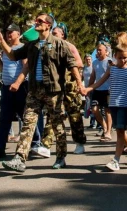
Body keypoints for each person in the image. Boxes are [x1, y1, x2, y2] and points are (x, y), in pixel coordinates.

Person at [0, 13, 83, 172]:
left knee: (57, 125)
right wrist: (1, 41)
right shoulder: (32, 45)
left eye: (40, 21)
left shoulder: (60, 45)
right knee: (28, 123)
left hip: (53, 91)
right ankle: (19, 158)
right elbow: (13, 55)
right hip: (34, 90)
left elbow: (73, 65)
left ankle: (61, 157)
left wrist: (79, 86)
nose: (36, 23)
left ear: (48, 25)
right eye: (36, 20)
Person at [0, 24, 49, 159]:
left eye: (11, 32)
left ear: (18, 33)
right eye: (7, 32)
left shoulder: (22, 48)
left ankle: (35, 145)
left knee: (27, 117)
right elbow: (5, 68)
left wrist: (17, 83)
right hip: (7, 88)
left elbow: (25, 67)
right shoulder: (5, 50)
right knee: (4, 119)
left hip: (21, 87)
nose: (9, 34)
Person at [83, 45, 127, 171]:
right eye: (120, 58)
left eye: (125, 58)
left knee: (120, 131)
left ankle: (116, 160)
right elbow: (100, 81)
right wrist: (88, 88)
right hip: (113, 103)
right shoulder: (111, 69)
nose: (123, 60)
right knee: (120, 131)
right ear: (115, 57)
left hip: (124, 104)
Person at [48, 22, 87, 154]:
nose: (53, 35)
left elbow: (80, 63)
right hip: (56, 86)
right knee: (52, 115)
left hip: (70, 87)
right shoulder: (50, 46)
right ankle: (45, 145)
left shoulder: (69, 46)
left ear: (62, 34)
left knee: (74, 115)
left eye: (55, 33)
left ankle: (79, 142)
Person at [89, 43, 113, 142]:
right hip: (97, 90)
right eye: (97, 50)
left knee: (107, 111)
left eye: (100, 50)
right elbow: (93, 76)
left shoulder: (109, 62)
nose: (98, 52)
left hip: (107, 90)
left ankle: (108, 132)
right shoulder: (94, 63)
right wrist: (88, 88)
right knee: (94, 110)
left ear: (106, 51)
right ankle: (104, 127)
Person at [82, 55, 96, 128]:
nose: (88, 61)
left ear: (92, 60)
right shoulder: (84, 68)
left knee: (94, 105)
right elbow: (82, 78)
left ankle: (95, 123)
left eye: (89, 59)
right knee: (88, 106)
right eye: (87, 59)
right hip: (86, 89)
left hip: (93, 88)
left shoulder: (93, 67)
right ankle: (92, 122)